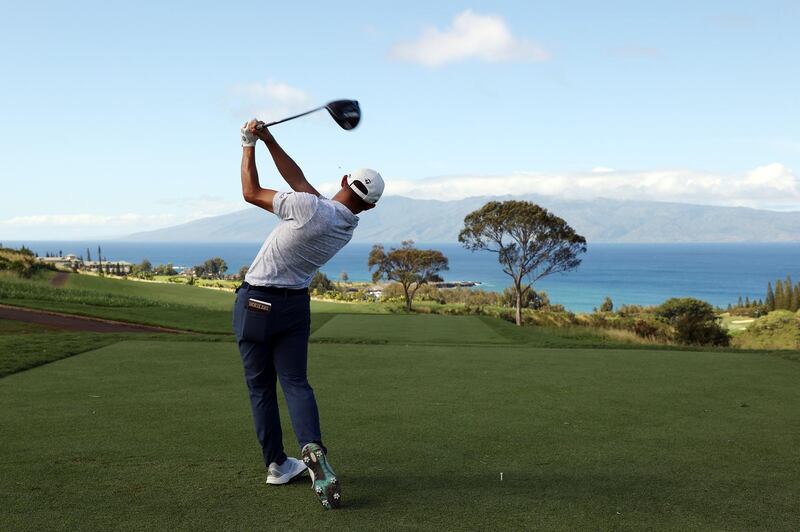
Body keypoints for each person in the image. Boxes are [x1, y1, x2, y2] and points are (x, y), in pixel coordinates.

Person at [233, 119, 384, 510]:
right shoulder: (343, 224)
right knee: (296, 384)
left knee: (261, 389)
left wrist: (248, 143)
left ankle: (277, 464)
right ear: (369, 206)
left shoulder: (309, 207)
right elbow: (300, 182)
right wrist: (268, 139)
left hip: (255, 304)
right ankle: (312, 448)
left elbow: (250, 192)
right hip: (294, 307)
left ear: (346, 178)